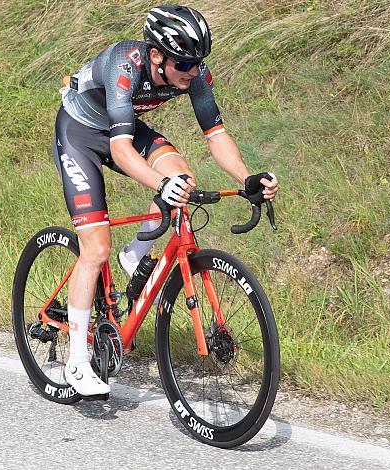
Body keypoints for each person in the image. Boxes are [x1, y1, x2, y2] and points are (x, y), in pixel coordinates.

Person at [52, 5, 279, 396]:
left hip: (123, 129)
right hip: (81, 133)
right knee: (95, 247)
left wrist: (246, 177)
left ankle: (136, 254)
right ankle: (76, 361)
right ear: (156, 55)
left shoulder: (195, 74)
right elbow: (121, 151)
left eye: (198, 64)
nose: (193, 73)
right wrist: (161, 184)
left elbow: (216, 135)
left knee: (183, 179)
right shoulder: (126, 64)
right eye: (184, 65)